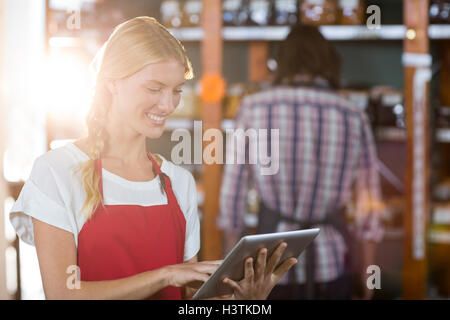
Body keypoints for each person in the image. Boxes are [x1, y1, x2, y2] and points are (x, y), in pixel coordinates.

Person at [9, 17, 297, 300]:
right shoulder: (57, 171)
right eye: (154, 88)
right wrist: (165, 275)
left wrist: (245, 302)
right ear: (112, 83)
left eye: (176, 91)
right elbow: (63, 294)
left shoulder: (177, 181)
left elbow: (188, 302)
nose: (168, 104)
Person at [218, 24, 384, 300]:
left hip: (268, 268)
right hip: (331, 264)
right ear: (330, 62)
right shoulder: (353, 115)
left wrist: (231, 276)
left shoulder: (253, 108)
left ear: (281, 62)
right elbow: (369, 212)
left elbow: (231, 201)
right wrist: (368, 284)